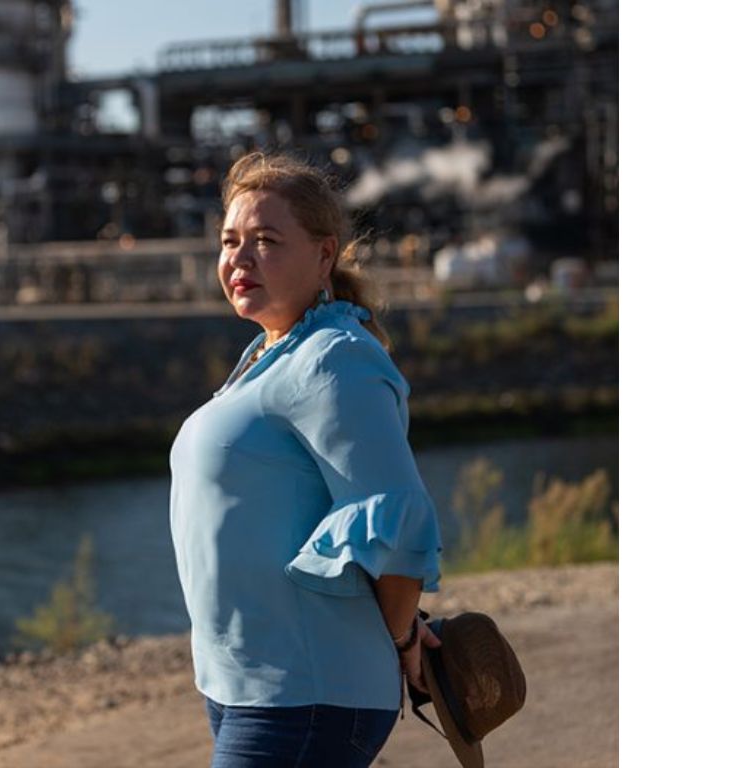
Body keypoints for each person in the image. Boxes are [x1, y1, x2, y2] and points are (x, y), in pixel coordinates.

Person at [169, 151, 443, 767]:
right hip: (243, 685)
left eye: (265, 241)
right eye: (230, 241)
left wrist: (402, 636)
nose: (238, 259)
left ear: (324, 255)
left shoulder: (334, 357)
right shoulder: (270, 355)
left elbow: (396, 519)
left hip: (306, 691)